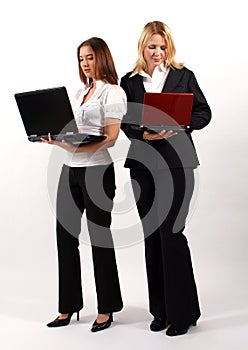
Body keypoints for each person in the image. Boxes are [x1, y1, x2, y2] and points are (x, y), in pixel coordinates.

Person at [120, 21, 211, 336]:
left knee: (171, 234)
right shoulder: (129, 81)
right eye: (152, 47)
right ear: (142, 47)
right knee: (151, 237)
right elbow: (124, 121)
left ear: (168, 48)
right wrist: (141, 131)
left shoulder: (184, 76)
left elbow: (203, 112)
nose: (157, 52)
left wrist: (181, 126)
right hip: (143, 166)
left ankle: (182, 314)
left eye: (162, 47)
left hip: (177, 164)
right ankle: (160, 312)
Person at [43, 37, 126, 332]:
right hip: (70, 170)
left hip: (97, 172)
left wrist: (76, 148)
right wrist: (58, 138)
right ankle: (68, 307)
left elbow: (111, 137)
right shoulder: (78, 92)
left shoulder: (113, 92)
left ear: (101, 58)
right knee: (65, 239)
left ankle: (107, 308)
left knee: (99, 238)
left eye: (90, 57)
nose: (85, 63)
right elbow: (74, 131)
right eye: (81, 59)